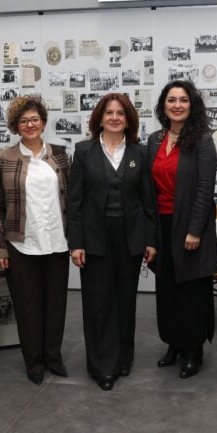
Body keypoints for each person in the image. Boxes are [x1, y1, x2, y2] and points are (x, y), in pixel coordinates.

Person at [67, 93, 158, 391]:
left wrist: (150, 240)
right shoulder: (84, 151)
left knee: (125, 300)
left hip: (130, 239)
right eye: (109, 113)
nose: (115, 117)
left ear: (129, 120)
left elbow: (148, 201)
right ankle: (102, 365)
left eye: (121, 113)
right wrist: (76, 243)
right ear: (100, 118)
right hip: (94, 239)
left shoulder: (140, 153)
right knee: (98, 302)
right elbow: (75, 202)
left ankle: (122, 359)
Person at [0, 95, 71, 385]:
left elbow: (73, 198)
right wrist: (0, 248)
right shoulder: (4, 158)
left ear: (43, 122)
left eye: (35, 119)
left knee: (56, 305)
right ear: (16, 126)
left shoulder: (61, 155)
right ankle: (33, 362)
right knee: (28, 307)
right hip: (21, 244)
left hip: (57, 242)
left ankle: (53, 357)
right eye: (23, 121)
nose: (30, 124)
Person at [147, 80, 217, 378]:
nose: (177, 105)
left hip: (189, 226)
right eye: (171, 100)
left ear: (192, 105)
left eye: (183, 100)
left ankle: (193, 349)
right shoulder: (154, 139)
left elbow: (205, 189)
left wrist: (195, 230)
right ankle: (174, 343)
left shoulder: (202, 140)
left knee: (191, 292)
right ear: (163, 105)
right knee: (167, 290)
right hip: (161, 225)